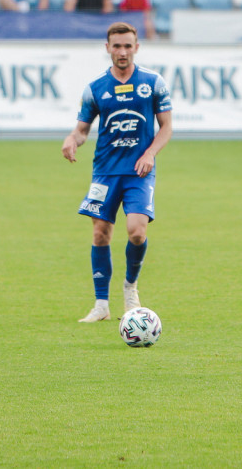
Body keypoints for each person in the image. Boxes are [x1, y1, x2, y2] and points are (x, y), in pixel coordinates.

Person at [62, 21, 173, 323]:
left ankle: (130, 288)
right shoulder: (95, 88)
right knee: (100, 233)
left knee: (137, 231)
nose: (122, 51)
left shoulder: (152, 82)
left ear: (137, 47)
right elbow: (83, 129)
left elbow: (166, 128)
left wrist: (150, 153)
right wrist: (73, 140)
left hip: (138, 171)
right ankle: (101, 305)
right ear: (107, 48)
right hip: (105, 172)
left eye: (128, 46)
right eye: (117, 46)